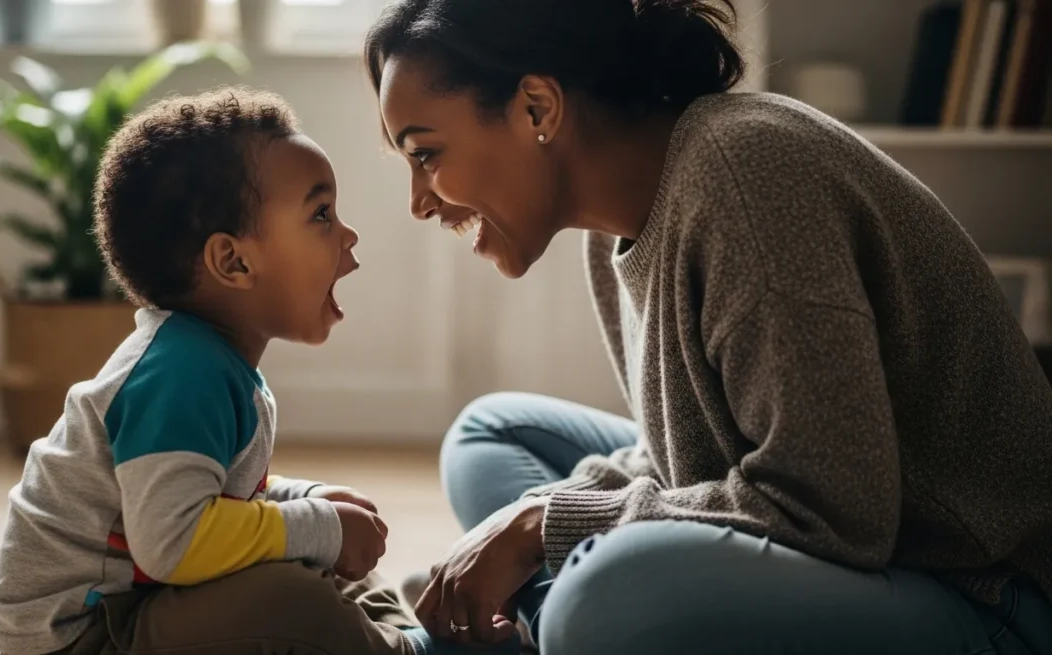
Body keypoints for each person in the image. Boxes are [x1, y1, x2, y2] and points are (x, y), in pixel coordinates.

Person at [365, 0, 1052, 653]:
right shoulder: (616, 232)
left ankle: (551, 620)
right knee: (490, 435)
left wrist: (542, 525)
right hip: (840, 541)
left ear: (537, 108)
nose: (419, 202)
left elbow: (835, 508)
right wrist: (535, 523)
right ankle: (544, 622)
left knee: (601, 596)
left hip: (977, 593)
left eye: (425, 154)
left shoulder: (745, 175)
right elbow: (684, 461)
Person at [0, 88, 514, 655]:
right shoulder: (179, 374)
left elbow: (218, 494)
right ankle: (410, 645)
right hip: (88, 636)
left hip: (140, 601)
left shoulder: (207, 360)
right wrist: (318, 525)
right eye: (321, 215)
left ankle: (399, 625)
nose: (348, 235)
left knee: (322, 559)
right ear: (234, 261)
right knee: (291, 593)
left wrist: (303, 499)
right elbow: (174, 539)